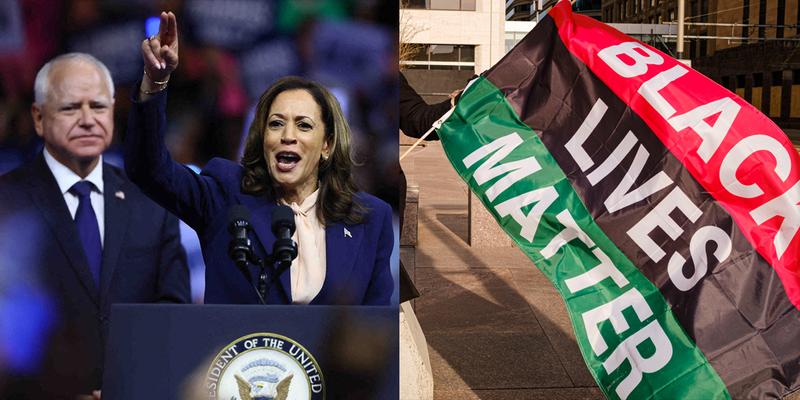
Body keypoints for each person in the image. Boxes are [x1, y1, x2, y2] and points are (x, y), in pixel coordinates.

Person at [125, 12, 394, 305]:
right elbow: (148, 169)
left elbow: (375, 326)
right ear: (261, 137)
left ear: (327, 145)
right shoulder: (225, 195)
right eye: (276, 124)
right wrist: (155, 82)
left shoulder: (369, 219)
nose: (287, 136)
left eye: (304, 125)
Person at [0, 53, 190, 399]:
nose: (88, 120)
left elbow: (172, 315)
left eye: (98, 107)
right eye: (71, 108)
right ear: (39, 118)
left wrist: (127, 385)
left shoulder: (151, 202)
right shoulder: (7, 204)